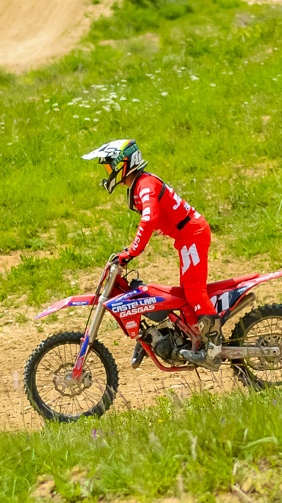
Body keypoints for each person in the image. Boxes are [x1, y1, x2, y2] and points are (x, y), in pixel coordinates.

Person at [82, 139, 221, 354]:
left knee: (194, 291)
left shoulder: (145, 184)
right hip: (186, 236)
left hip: (192, 233)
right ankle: (192, 339)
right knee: (185, 294)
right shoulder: (140, 184)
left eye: (110, 165)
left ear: (123, 164)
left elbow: (149, 218)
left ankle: (214, 348)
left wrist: (132, 251)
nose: (108, 171)